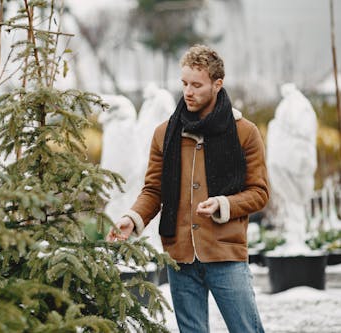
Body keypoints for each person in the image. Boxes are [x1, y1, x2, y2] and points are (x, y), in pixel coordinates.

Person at [106, 44, 269, 333]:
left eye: (197, 85)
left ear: (217, 84)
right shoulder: (164, 133)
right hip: (179, 256)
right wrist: (132, 217)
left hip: (226, 253)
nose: (188, 92)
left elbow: (259, 193)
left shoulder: (244, 132)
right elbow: (153, 190)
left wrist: (223, 204)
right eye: (184, 84)